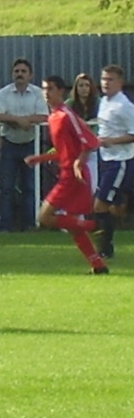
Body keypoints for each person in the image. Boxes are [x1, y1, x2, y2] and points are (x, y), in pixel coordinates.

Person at [24, 75, 108, 275]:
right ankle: (98, 265)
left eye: (50, 88)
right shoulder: (53, 117)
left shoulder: (66, 115)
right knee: (72, 226)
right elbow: (63, 150)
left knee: (44, 217)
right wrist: (41, 158)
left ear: (61, 91)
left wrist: (80, 161)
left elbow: (91, 141)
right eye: (44, 89)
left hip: (74, 177)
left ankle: (94, 225)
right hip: (68, 174)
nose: (46, 93)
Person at [0, 58, 49, 232]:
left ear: (30, 75)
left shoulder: (38, 93)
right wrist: (18, 120)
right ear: (12, 74)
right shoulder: (4, 93)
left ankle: (29, 225)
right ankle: (5, 227)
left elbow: (44, 117)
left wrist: (27, 121)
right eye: (16, 71)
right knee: (6, 188)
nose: (20, 74)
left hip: (31, 145)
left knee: (30, 188)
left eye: (23, 71)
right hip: (9, 144)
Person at [93, 64, 134, 259]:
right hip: (105, 158)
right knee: (115, 208)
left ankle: (105, 249)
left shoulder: (124, 106)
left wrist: (111, 141)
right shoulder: (104, 102)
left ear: (120, 82)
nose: (105, 83)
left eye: (110, 80)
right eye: (103, 79)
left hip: (120, 161)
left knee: (99, 205)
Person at [65, 72, 100, 194]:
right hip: (74, 149)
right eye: (81, 85)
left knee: (91, 186)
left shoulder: (98, 103)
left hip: (91, 149)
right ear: (76, 88)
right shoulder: (69, 104)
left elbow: (103, 118)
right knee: (72, 186)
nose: (84, 88)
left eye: (87, 85)